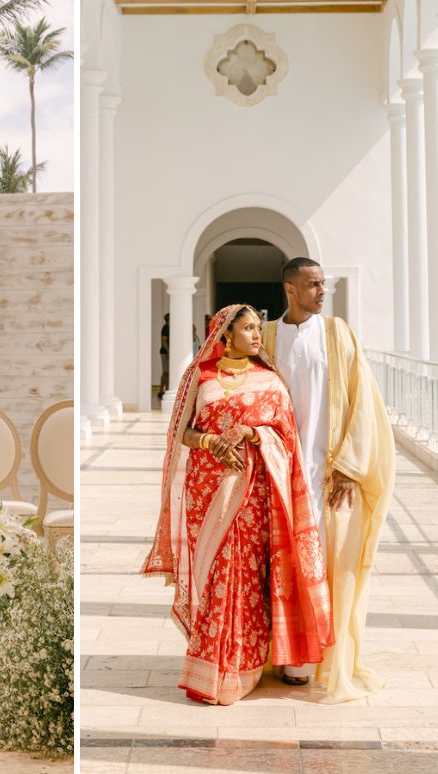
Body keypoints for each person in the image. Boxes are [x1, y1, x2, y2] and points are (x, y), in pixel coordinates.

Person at [144, 303, 333, 705]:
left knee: (244, 575)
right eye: (247, 328)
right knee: (214, 574)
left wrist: (250, 432)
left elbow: (286, 437)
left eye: (258, 328)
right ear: (225, 335)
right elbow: (181, 433)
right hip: (206, 490)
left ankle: (237, 669)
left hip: (252, 494)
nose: (256, 335)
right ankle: (212, 664)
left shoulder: (271, 381)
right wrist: (211, 441)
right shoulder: (201, 376)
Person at [262, 259, 395, 702]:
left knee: (328, 565)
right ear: (290, 288)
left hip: (328, 473)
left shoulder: (338, 334)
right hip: (279, 471)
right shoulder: (266, 338)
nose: (322, 291)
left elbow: (363, 402)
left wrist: (351, 467)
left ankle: (324, 658)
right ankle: (289, 660)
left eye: (324, 283)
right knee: (284, 565)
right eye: (313, 284)